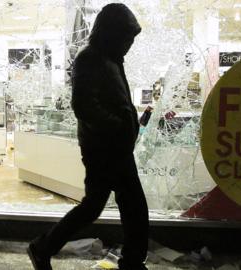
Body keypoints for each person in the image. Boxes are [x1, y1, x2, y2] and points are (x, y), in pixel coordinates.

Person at [27, 4, 149, 270]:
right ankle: (131, 260)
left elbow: (116, 101)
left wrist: (128, 123)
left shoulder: (111, 59)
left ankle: (43, 247)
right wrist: (118, 126)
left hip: (113, 147)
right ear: (111, 32)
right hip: (104, 148)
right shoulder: (91, 58)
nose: (129, 44)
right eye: (126, 37)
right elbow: (83, 106)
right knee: (132, 207)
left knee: (99, 206)